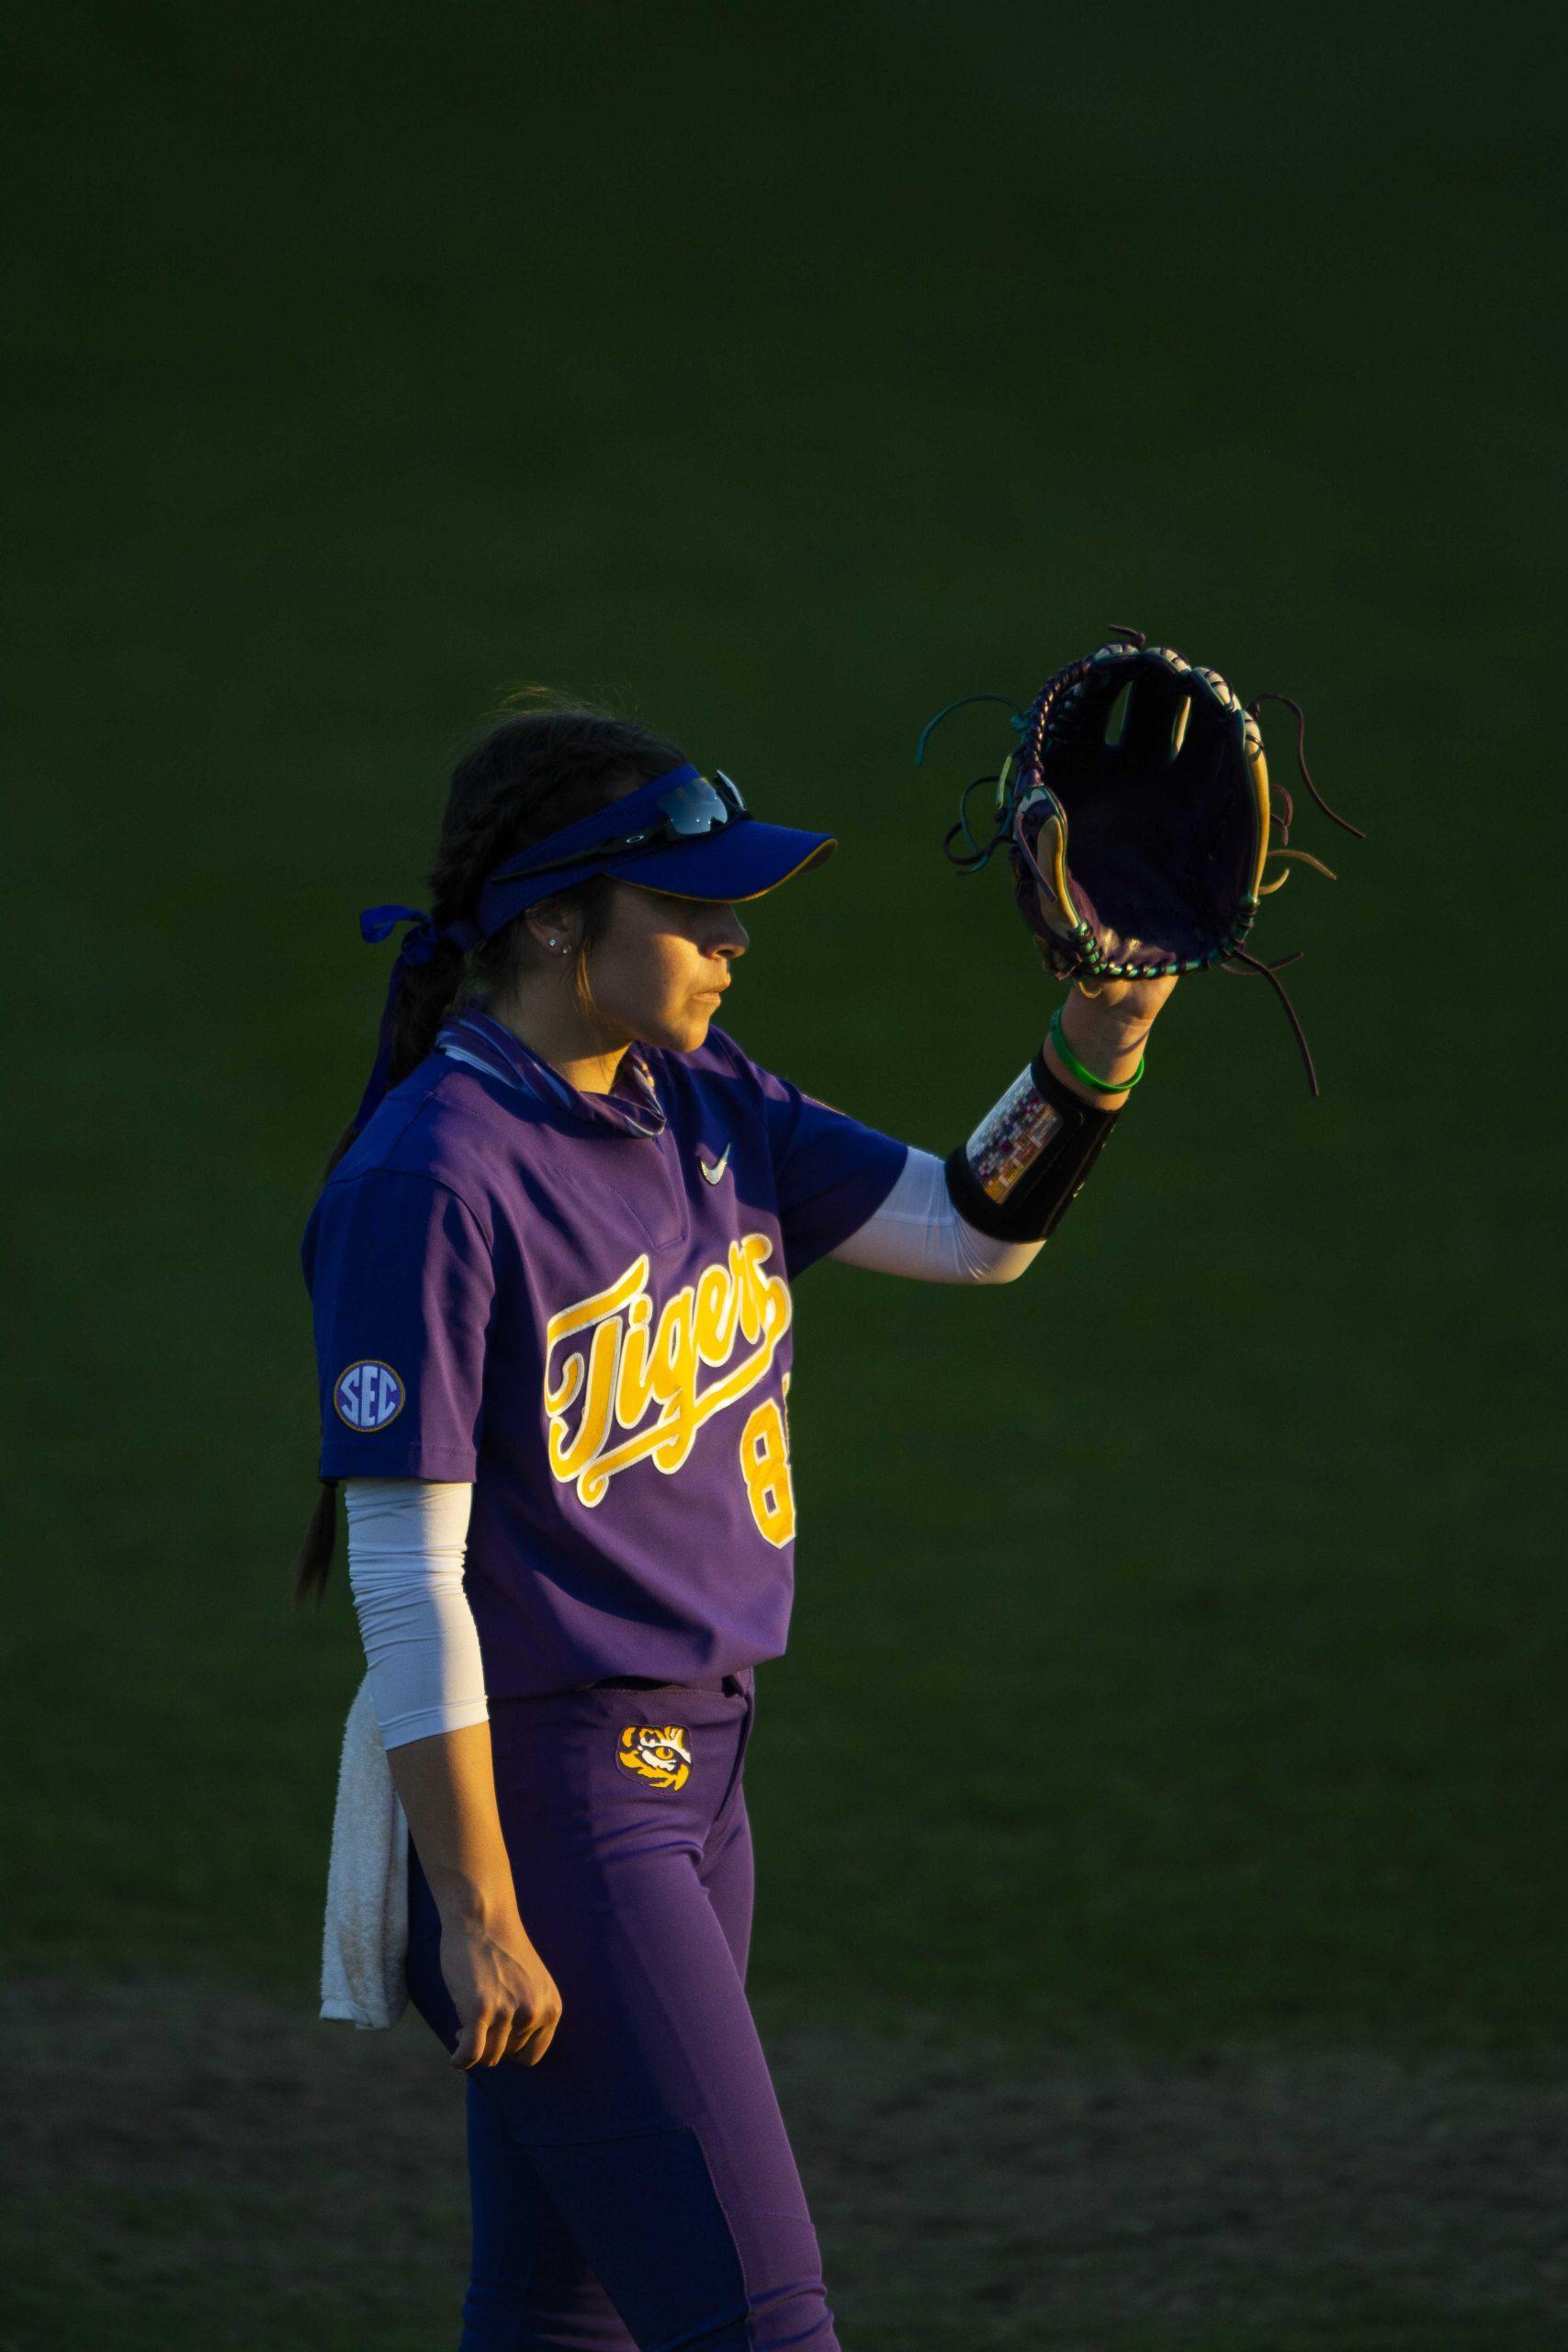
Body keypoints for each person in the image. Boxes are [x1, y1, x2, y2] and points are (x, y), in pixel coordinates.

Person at [295, 695, 1172, 2350]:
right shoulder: (436, 1178)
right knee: (763, 2326)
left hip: (702, 1788)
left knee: (565, 2316)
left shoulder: (695, 1099)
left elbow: (973, 1230)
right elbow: (405, 1581)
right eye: (692, 910)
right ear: (559, 921)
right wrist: (480, 1907)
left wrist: (1100, 1037)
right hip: (549, 1805)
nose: (733, 939)